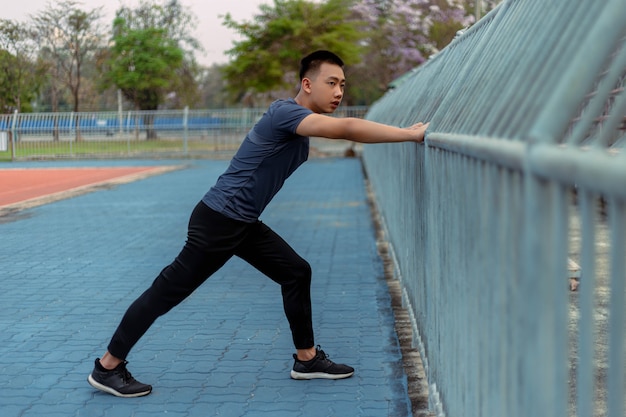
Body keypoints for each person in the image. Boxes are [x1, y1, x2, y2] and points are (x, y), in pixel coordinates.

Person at [88, 50, 429, 398]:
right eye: (331, 83)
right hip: (219, 221)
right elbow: (346, 128)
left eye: (342, 84)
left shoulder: (298, 122)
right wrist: (408, 134)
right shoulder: (286, 113)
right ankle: (108, 367)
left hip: (240, 222)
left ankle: (307, 359)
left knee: (296, 271)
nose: (339, 91)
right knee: (165, 293)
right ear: (307, 84)